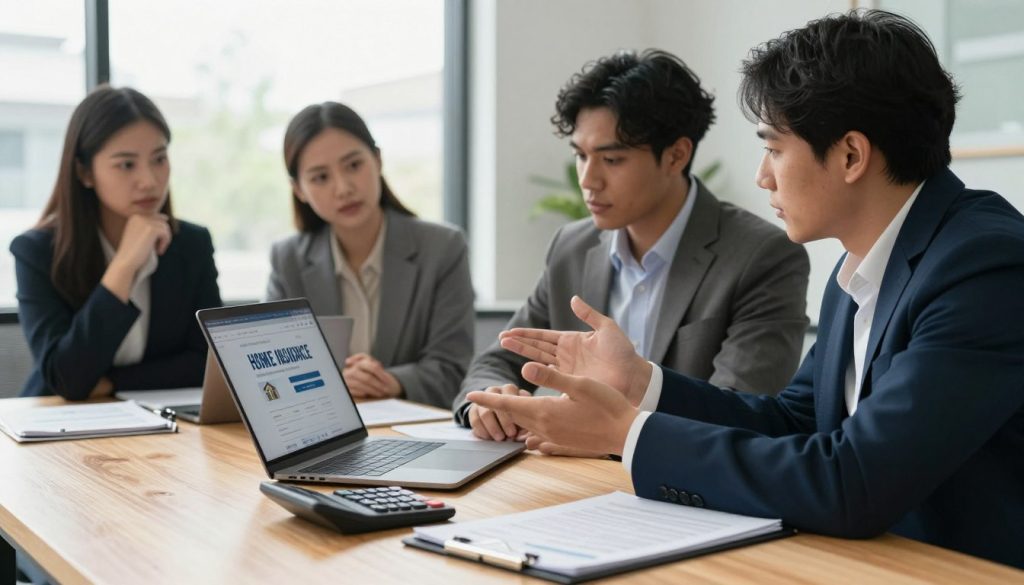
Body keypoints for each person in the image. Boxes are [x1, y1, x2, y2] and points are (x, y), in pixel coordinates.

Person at [469, 10, 1024, 569]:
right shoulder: (861, 265)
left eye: (774, 148)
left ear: (851, 155)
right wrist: (641, 382)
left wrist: (628, 432)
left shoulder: (984, 266)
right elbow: (796, 422)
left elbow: (854, 480)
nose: (762, 176)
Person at [454, 49, 810, 443]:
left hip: (682, 489)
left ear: (676, 155)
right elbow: (498, 359)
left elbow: (741, 413)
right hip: (569, 480)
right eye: (581, 156)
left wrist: (616, 437)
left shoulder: (762, 256)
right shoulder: (572, 246)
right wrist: (489, 401)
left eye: (612, 160)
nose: (588, 181)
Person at [11, 85, 222, 400]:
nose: (149, 180)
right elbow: (66, 377)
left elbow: (207, 362)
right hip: (58, 424)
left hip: (162, 427)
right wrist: (124, 265)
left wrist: (111, 383)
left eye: (159, 159)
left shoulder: (191, 244)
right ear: (84, 172)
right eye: (126, 164)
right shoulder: (37, 252)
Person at [266, 102, 473, 409]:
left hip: (415, 432)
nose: (344, 188)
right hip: (324, 431)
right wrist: (335, 381)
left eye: (353, 165)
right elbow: (270, 373)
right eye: (320, 178)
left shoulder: (443, 247)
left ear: (377, 160)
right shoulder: (288, 260)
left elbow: (452, 369)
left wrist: (391, 382)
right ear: (299, 190)